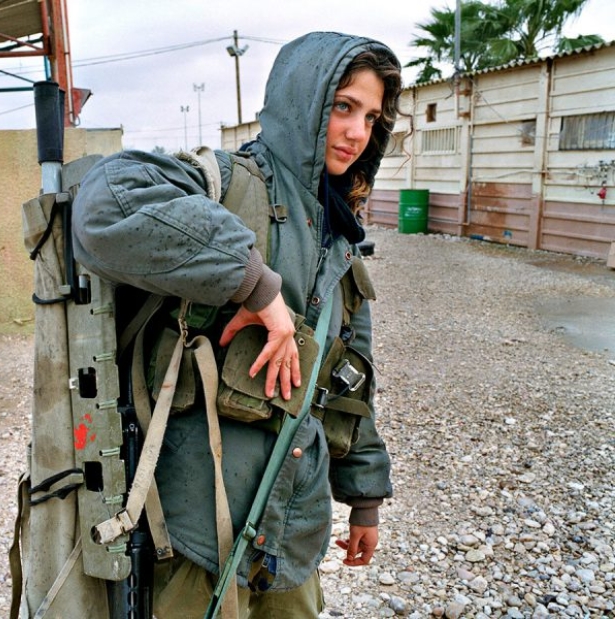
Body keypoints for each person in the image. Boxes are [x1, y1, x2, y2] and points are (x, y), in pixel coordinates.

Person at [72, 30, 402, 619]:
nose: (357, 132)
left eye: (372, 116)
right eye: (343, 107)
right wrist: (257, 285)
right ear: (304, 101)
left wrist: (366, 496)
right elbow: (106, 205)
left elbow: (349, 377)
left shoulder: (340, 233)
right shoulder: (229, 183)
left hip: (292, 526)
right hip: (196, 525)